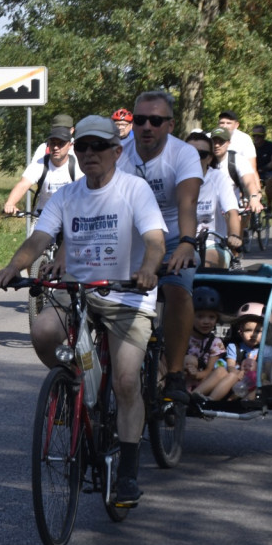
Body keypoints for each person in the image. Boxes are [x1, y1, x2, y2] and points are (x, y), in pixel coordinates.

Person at [0, 114, 166, 507]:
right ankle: (75, 386)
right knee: (42, 332)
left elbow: (155, 239)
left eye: (99, 147)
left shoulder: (134, 190)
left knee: (125, 381)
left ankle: (126, 472)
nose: (90, 154)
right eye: (84, 147)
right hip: (79, 293)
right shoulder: (68, 195)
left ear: (115, 152)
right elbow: (40, 238)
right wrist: (13, 266)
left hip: (126, 298)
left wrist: (147, 269)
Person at [116, 91, 203, 406]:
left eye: (155, 120)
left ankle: (176, 373)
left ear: (170, 124)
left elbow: (188, 203)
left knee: (178, 292)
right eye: (140, 120)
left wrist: (186, 243)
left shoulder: (184, 154)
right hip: (131, 239)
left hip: (173, 238)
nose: (146, 127)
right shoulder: (119, 153)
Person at [184, 131, 241, 268]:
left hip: (211, 242)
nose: (195, 158)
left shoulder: (218, 178)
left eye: (201, 154)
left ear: (209, 158)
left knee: (208, 264)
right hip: (179, 242)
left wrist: (234, 235)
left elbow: (231, 212)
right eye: (190, 154)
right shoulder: (172, 179)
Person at [3, 123, 78, 217]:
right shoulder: (40, 164)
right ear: (48, 144)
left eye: (61, 144)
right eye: (53, 143)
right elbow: (23, 184)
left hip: (70, 216)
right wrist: (10, 203)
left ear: (70, 145)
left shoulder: (77, 164)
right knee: (37, 232)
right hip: (44, 216)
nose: (55, 147)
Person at [214, 303, 265, 401]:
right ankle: (214, 400)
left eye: (258, 331)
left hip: (255, 382)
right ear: (240, 332)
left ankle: (244, 401)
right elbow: (230, 366)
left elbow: (267, 370)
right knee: (230, 375)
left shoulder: (266, 350)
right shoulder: (234, 347)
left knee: (262, 381)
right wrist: (237, 372)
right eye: (248, 330)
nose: (253, 335)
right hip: (237, 379)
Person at [184, 287, 229, 399]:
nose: (206, 321)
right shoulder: (183, 337)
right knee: (189, 359)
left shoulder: (216, 342)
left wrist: (197, 374)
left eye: (211, 317)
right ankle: (183, 394)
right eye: (200, 316)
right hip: (183, 379)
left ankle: (194, 397)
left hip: (203, 382)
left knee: (221, 371)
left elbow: (209, 370)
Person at [210, 126, 264, 215]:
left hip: (232, 207)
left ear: (228, 143)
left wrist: (254, 197)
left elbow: (249, 181)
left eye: (221, 142)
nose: (217, 145)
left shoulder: (238, 160)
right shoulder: (204, 160)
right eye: (214, 141)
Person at [252, 125, 272, 217]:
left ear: (264, 135)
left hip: (268, 171)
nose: (256, 138)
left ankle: (269, 205)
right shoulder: (250, 147)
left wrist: (264, 168)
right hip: (254, 172)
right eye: (254, 135)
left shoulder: (271, 146)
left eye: (259, 135)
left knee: (270, 180)